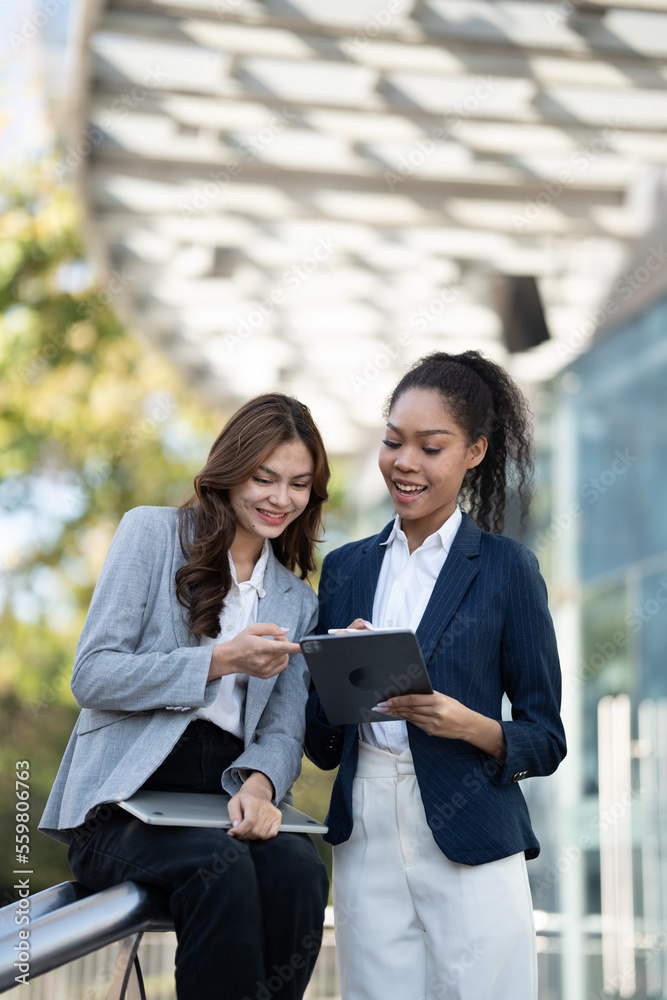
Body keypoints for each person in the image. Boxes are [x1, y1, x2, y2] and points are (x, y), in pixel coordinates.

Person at [40, 392, 331, 1000]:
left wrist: (259, 787)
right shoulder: (151, 533)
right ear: (230, 472)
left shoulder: (296, 601)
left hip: (220, 795)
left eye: (299, 484)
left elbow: (282, 732)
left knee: (300, 872)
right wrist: (220, 661)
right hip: (123, 800)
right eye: (265, 477)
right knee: (215, 869)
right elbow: (93, 674)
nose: (281, 498)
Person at [305, 351, 567, 1000]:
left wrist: (470, 725)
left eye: (430, 446)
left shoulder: (507, 569)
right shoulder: (344, 569)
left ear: (473, 452)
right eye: (393, 442)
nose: (405, 463)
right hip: (363, 823)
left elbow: (546, 738)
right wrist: (339, 673)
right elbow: (320, 744)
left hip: (469, 825)